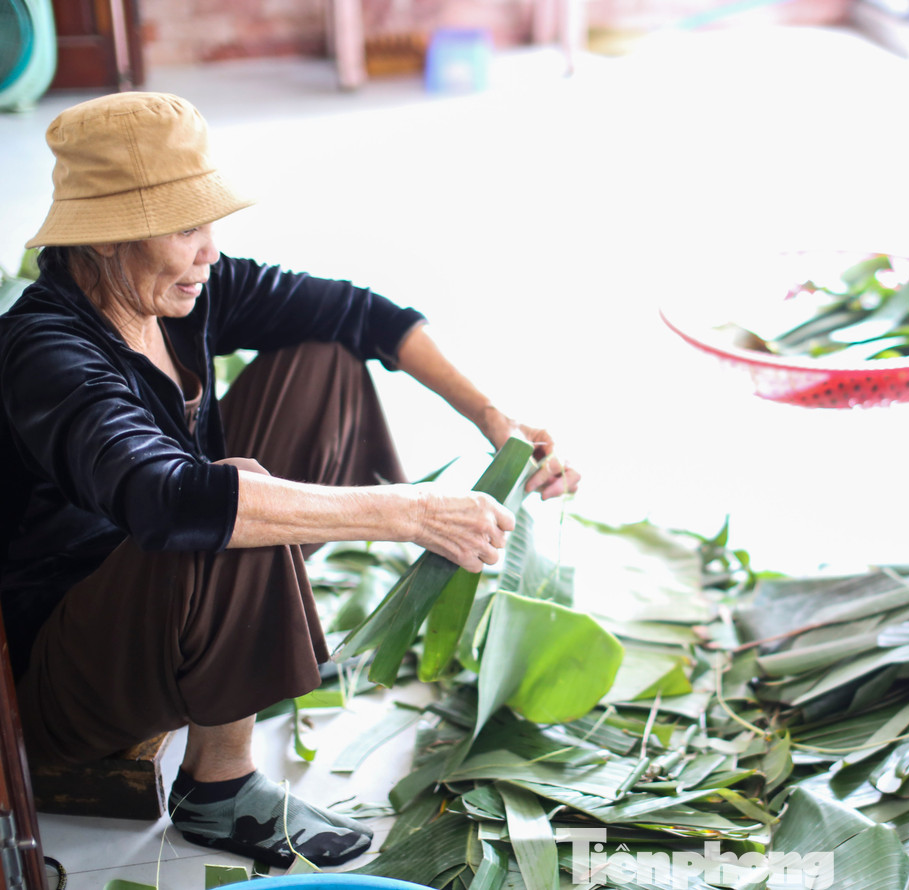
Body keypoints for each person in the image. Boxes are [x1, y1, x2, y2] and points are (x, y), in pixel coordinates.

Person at [0, 91, 580, 868]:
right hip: (71, 677)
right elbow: (166, 500)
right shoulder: (46, 352)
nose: (210, 253)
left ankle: (253, 644)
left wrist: (492, 417)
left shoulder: (180, 299)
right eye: (186, 228)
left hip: (158, 606)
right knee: (221, 495)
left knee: (322, 359)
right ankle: (219, 788)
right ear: (106, 235)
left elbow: (361, 315)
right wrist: (408, 512)